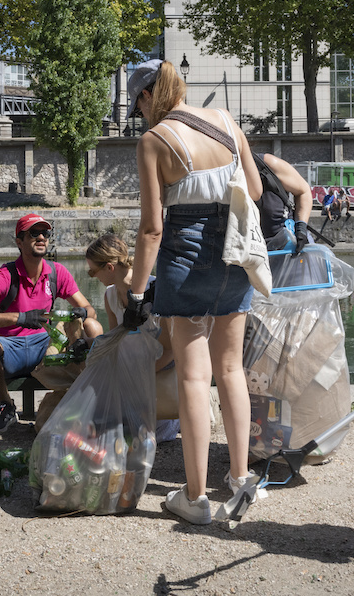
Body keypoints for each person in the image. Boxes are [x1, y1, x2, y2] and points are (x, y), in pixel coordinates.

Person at [124, 58, 262, 525]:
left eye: (137, 105)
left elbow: (150, 230)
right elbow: (257, 190)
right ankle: (242, 481)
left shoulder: (154, 140)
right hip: (234, 258)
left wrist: (137, 290)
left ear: (146, 96)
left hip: (186, 260)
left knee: (192, 377)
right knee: (231, 370)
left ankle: (197, 497)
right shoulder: (225, 120)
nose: (140, 114)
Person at [0, 213, 102, 433]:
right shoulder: (4, 275)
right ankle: (6, 407)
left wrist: (81, 313)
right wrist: (19, 317)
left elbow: (90, 310)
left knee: (91, 327)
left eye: (45, 233)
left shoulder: (58, 272)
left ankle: (91, 400)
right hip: (10, 348)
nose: (41, 238)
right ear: (19, 242)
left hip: (44, 346)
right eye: (33, 233)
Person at [84, 233, 179, 443]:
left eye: (93, 271)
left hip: (160, 369)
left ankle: (170, 417)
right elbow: (116, 342)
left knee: (142, 436)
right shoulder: (110, 296)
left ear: (109, 267)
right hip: (133, 369)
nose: (93, 276)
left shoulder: (157, 291)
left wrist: (139, 374)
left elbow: (170, 349)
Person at [251, 152, 312, 253]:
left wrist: (301, 229)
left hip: (287, 250)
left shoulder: (268, 165)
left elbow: (303, 191)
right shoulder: (220, 174)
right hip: (247, 255)